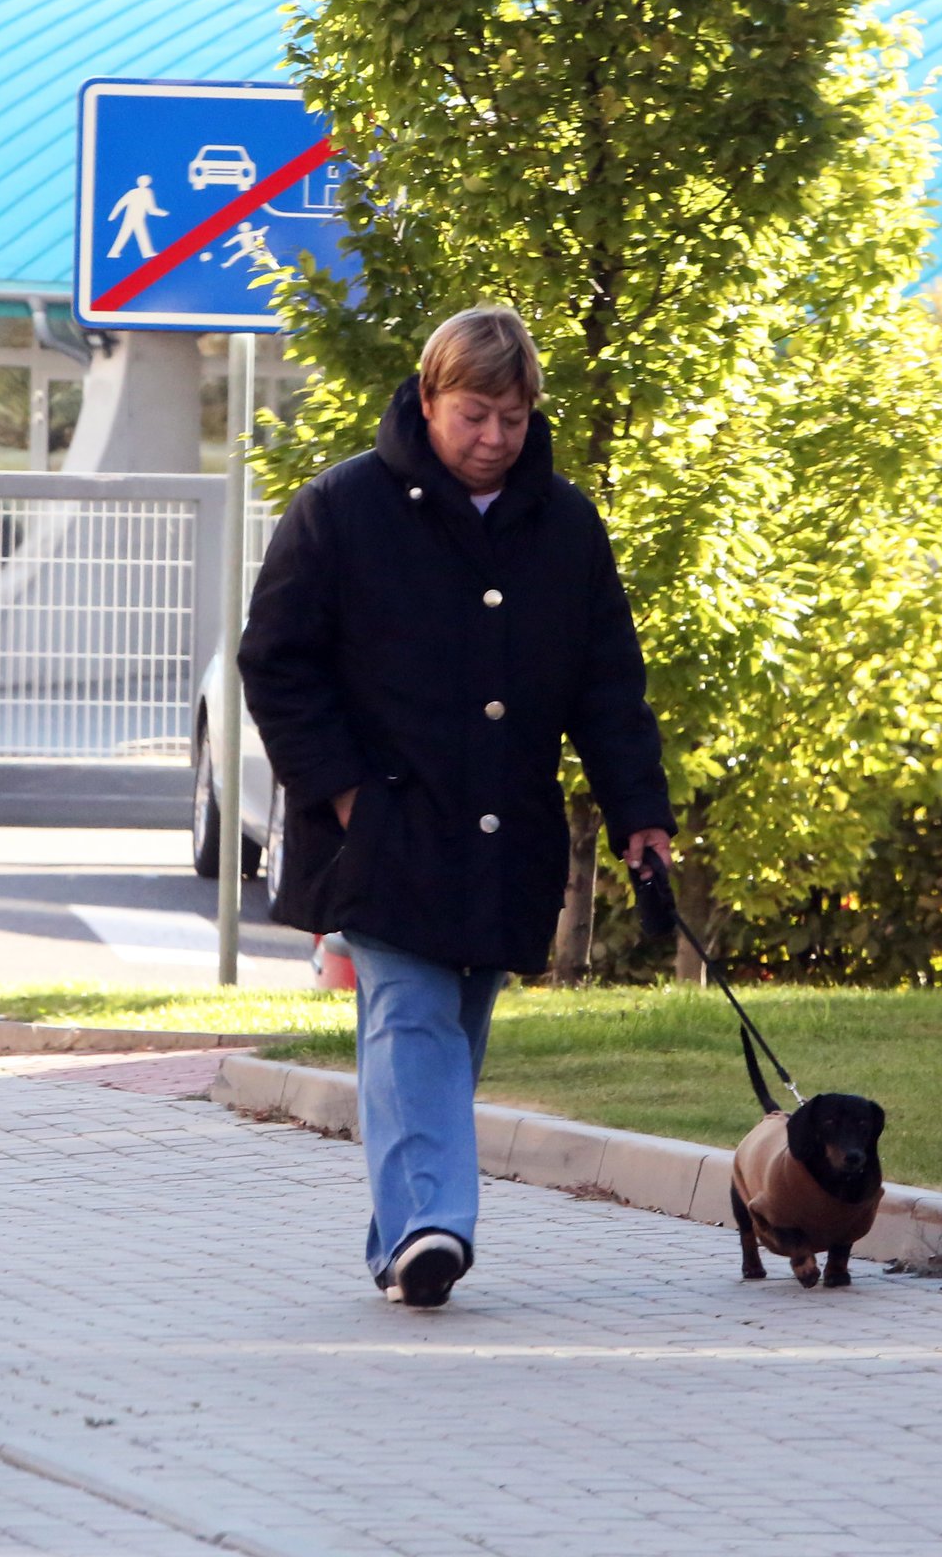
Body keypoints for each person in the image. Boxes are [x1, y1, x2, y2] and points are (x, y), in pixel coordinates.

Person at [238, 306, 674, 1309]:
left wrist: (637, 810)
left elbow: (606, 683)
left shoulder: (562, 524)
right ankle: (436, 1222)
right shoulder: (341, 509)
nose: (492, 439)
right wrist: (345, 792)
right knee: (412, 1019)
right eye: (473, 415)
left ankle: (402, 1236)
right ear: (428, 400)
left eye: (511, 419)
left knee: (450, 1033)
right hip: (384, 828)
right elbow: (277, 662)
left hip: (503, 833)